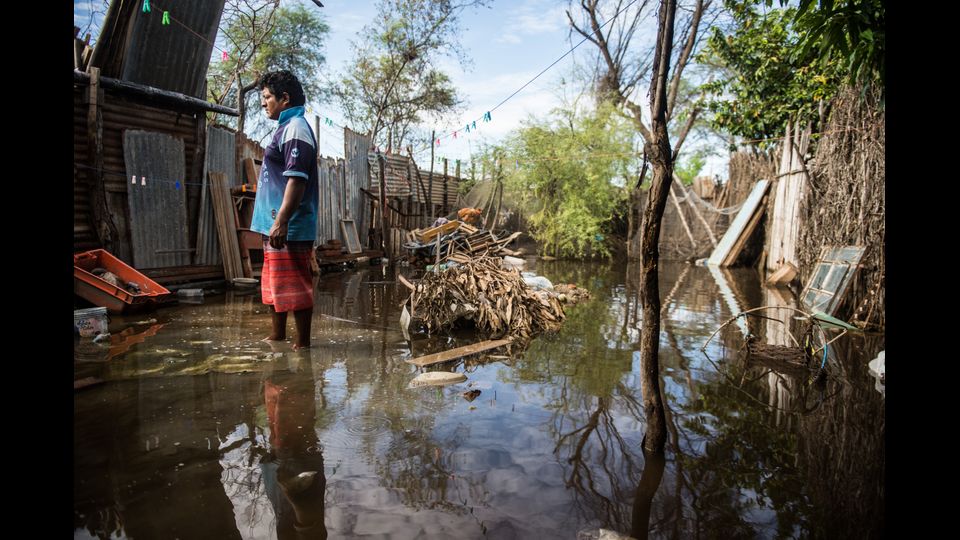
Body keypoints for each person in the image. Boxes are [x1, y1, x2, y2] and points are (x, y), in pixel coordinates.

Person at [252, 70, 320, 350]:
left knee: (295, 286)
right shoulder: (285, 127)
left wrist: (281, 221)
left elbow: (297, 180)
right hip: (274, 223)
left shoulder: (296, 128)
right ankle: (277, 335)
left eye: (267, 97)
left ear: (285, 98)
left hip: (289, 226)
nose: (263, 103)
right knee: (274, 284)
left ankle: (302, 345)